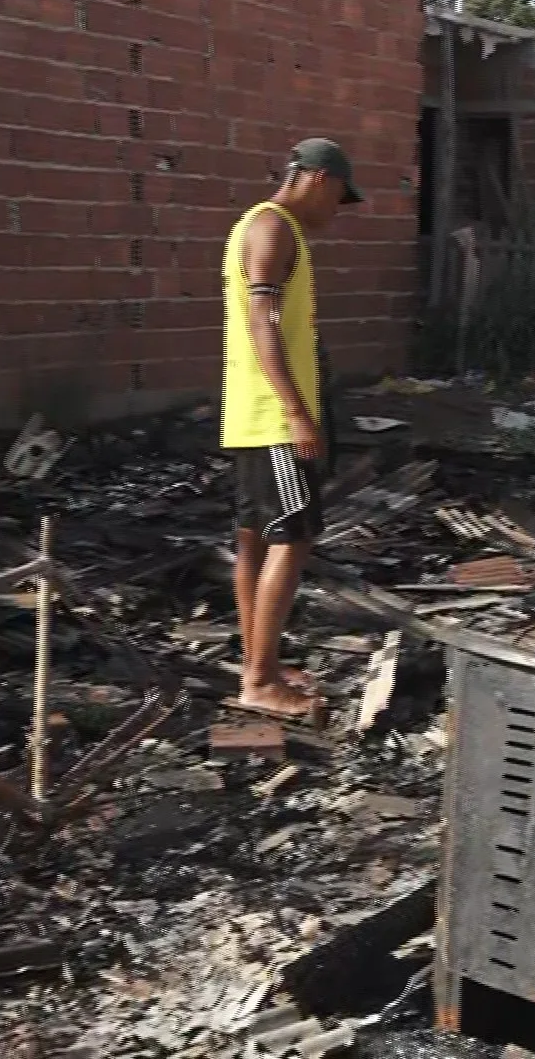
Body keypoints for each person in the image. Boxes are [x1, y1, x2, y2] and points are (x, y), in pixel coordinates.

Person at [219, 138, 363, 721]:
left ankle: (262, 662)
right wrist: (300, 414)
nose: (336, 212)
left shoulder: (265, 228)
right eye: (338, 199)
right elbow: (262, 327)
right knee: (291, 539)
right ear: (319, 179)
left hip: (254, 414)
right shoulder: (273, 230)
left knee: (256, 536)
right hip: (276, 420)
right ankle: (258, 680)